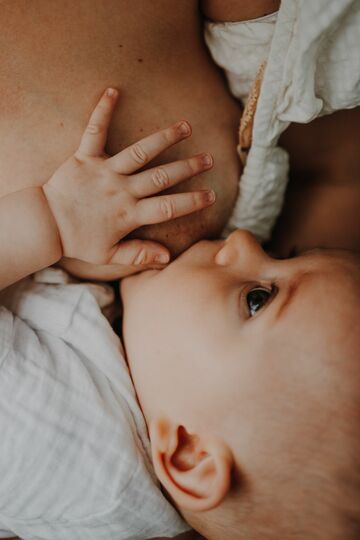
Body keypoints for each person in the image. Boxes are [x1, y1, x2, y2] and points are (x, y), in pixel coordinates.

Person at [121, 228, 360, 540]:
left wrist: (51, 231)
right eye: (288, 255)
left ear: (191, 454)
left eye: (257, 299)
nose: (244, 238)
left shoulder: (80, 455)